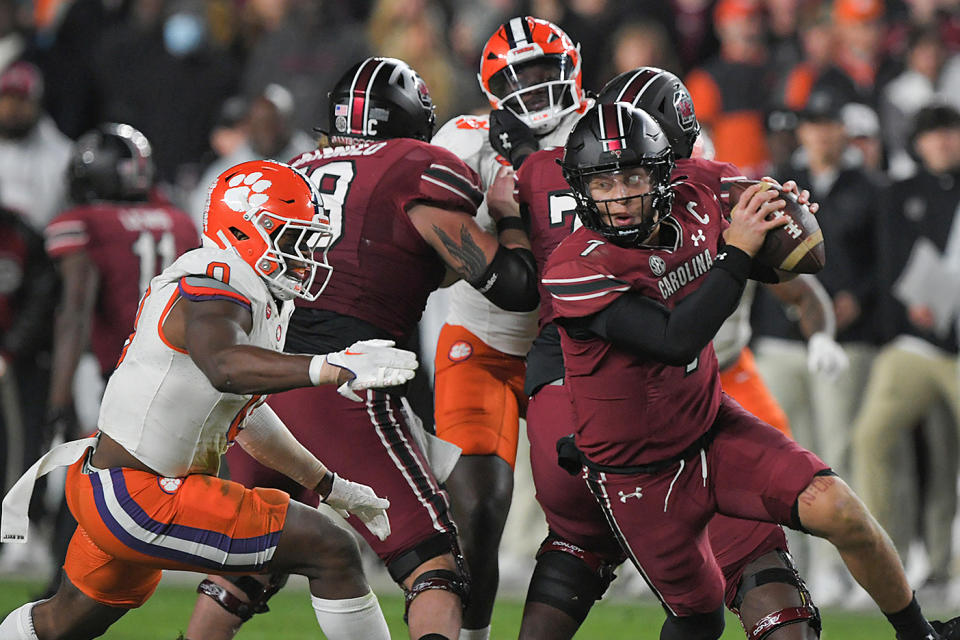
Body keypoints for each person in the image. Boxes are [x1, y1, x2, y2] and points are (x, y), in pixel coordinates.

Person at [542, 100, 954, 640]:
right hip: (640, 476)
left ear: (662, 173)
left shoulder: (696, 201)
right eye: (603, 183)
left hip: (713, 429)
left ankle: (919, 634)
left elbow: (794, 261)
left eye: (633, 177)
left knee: (841, 512)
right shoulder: (575, 266)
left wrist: (786, 224)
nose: (620, 197)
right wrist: (738, 251)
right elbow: (675, 338)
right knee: (699, 621)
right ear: (580, 188)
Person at [184, 57, 539, 640]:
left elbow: (387, 259)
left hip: (264, 388)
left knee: (246, 565)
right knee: (435, 565)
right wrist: (509, 215)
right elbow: (514, 287)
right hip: (344, 382)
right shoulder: (416, 168)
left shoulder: (295, 167)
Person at [0, 159, 420, 640]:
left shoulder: (244, 289)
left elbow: (247, 415)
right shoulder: (212, 287)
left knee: (59, 623)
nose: (303, 254)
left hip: (117, 485)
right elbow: (224, 368)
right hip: (137, 495)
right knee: (330, 549)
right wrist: (328, 366)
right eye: (289, 237)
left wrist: (329, 485)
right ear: (243, 229)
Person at [514, 67, 836, 640]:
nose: (621, 192)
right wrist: (776, 226)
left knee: (578, 545)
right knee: (744, 557)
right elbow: (794, 266)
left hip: (556, 392)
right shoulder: (703, 181)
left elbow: (509, 268)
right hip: (652, 401)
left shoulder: (538, 168)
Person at [426, 18, 590, 638]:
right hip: (485, 343)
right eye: (517, 77)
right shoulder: (463, 139)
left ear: (572, 67)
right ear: (491, 86)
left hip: (577, 350)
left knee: (590, 511)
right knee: (477, 506)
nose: (535, 87)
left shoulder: (608, 128)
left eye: (545, 70)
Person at [40, 123, 199, 598]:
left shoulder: (87, 222)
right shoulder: (179, 220)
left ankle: (64, 588)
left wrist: (58, 396)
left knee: (86, 480)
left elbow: (74, 313)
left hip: (125, 377)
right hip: (188, 372)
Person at [852, 104, 960, 593]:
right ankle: (880, 559)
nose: (942, 143)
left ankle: (946, 564)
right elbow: (889, 263)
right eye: (933, 135)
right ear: (918, 142)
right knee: (871, 437)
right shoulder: (897, 193)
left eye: (949, 134)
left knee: (945, 458)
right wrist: (907, 304)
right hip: (914, 345)